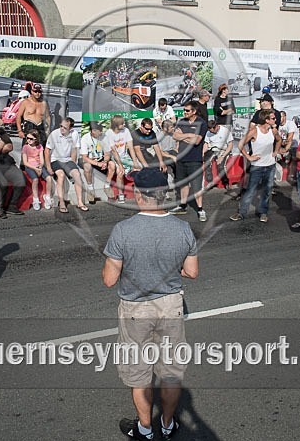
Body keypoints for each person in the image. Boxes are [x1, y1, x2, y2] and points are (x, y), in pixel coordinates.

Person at [102, 168, 198, 441]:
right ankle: (168, 425)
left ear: (140, 196)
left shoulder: (123, 230)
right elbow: (191, 272)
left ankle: (144, 429)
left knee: (139, 373)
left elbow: (110, 279)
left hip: (136, 309)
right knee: (170, 373)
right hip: (170, 306)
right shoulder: (182, 228)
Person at [230, 110, 282, 222]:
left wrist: (276, 151)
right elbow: (240, 144)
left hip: (270, 165)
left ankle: (263, 212)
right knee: (250, 190)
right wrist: (249, 157)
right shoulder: (254, 131)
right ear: (266, 120)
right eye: (273, 118)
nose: (275, 120)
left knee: (267, 190)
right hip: (257, 166)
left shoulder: (273, 131)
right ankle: (241, 213)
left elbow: (279, 140)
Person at [169, 100, 209, 221]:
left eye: (187, 110)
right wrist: (190, 135)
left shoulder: (201, 123)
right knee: (183, 184)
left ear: (194, 111)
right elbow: (175, 136)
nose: (184, 112)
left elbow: (197, 141)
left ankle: (200, 209)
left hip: (195, 159)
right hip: (182, 158)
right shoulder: (182, 121)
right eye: (184, 110)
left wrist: (184, 136)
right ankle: (182, 205)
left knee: (196, 186)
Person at [45, 117, 87, 213]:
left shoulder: (74, 134)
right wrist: (48, 167)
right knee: (61, 175)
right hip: (56, 160)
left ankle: (80, 202)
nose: (62, 129)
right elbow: (47, 151)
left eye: (65, 128)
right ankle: (62, 202)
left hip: (67, 160)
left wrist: (73, 164)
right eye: (61, 126)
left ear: (70, 129)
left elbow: (74, 149)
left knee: (77, 175)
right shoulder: (54, 134)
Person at [106, 115, 138, 203]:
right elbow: (114, 151)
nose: (124, 124)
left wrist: (135, 161)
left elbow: (131, 147)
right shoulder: (109, 133)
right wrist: (120, 165)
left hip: (125, 156)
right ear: (116, 125)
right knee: (120, 172)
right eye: (122, 123)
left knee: (138, 169)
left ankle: (139, 192)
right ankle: (121, 194)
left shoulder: (126, 130)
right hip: (114, 156)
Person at [79, 122, 113, 205]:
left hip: (101, 159)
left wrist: (105, 162)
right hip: (90, 159)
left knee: (112, 165)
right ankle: (90, 189)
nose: (101, 133)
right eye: (99, 131)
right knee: (87, 167)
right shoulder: (85, 138)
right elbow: (84, 157)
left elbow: (107, 153)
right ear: (93, 131)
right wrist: (97, 164)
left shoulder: (104, 136)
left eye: (101, 131)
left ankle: (107, 186)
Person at [21, 128, 54, 211]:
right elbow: (25, 162)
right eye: (27, 138)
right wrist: (35, 168)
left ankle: (47, 196)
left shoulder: (39, 147)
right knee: (35, 179)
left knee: (49, 178)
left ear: (36, 139)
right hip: (30, 166)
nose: (28, 140)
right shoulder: (25, 147)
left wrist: (40, 166)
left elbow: (42, 159)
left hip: (39, 166)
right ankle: (35, 199)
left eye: (31, 138)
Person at [203, 120, 233, 190]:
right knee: (207, 162)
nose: (211, 132)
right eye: (210, 131)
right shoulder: (208, 132)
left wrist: (222, 156)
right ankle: (210, 182)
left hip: (223, 149)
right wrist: (203, 153)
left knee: (220, 165)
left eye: (213, 131)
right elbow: (206, 144)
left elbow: (230, 145)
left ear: (216, 127)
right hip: (213, 149)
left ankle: (226, 182)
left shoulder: (225, 131)